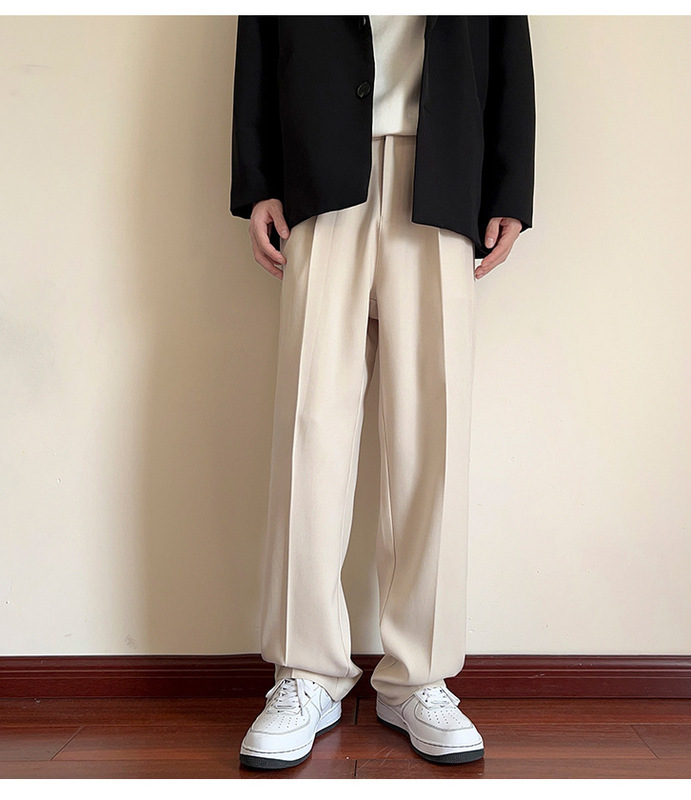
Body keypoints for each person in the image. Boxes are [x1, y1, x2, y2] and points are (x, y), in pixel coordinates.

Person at [230, 15, 535, 770]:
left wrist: (510, 185)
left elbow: (507, 39)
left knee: (431, 434)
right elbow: (260, 33)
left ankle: (417, 677)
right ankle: (306, 672)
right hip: (319, 171)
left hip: (444, 167)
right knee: (310, 427)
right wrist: (257, 179)